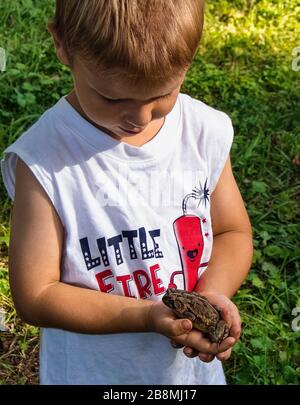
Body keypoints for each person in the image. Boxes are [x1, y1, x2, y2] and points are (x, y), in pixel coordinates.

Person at [0, 0, 253, 385]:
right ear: (62, 44)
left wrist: (211, 296)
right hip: (92, 375)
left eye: (162, 95)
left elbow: (231, 231)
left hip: (186, 376)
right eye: (113, 99)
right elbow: (36, 294)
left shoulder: (201, 132)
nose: (138, 118)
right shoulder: (46, 161)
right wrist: (147, 317)